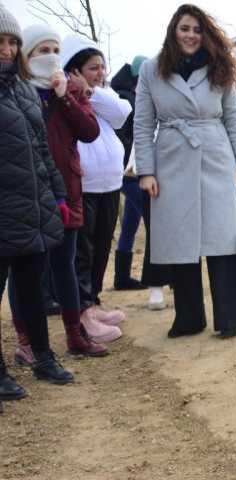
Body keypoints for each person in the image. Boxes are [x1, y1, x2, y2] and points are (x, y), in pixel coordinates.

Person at [134, 3, 236, 339]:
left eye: (197, 30)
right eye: (185, 28)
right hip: (171, 157)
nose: (191, 35)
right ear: (173, 31)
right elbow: (143, 123)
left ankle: (229, 317)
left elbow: (233, 118)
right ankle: (188, 316)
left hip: (217, 155)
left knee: (223, 238)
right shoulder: (152, 70)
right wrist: (147, 170)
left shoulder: (219, 67)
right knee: (179, 237)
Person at [10, 24, 108, 361]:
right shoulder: (17, 91)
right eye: (42, 51)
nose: (49, 57)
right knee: (25, 271)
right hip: (27, 194)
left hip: (68, 188)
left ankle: (74, 333)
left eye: (55, 50)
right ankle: (27, 342)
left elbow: (90, 131)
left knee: (64, 264)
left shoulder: (70, 92)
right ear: (27, 55)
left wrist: (66, 95)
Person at [0, 4, 76, 404]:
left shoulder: (25, 91)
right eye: (1, 41)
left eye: (13, 42)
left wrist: (58, 195)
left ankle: (43, 357)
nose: (8, 49)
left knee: (32, 288)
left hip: (31, 207)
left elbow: (42, 151)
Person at [63, 34, 131, 338]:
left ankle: (93, 301)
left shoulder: (98, 97)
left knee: (103, 245)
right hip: (84, 185)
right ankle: (82, 311)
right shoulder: (66, 98)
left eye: (102, 67)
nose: (101, 73)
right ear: (74, 70)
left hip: (110, 184)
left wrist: (91, 90)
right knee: (84, 251)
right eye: (93, 68)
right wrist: (79, 92)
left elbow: (122, 113)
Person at [109, 55, 150, 291]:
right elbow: (124, 136)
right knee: (152, 219)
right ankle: (155, 277)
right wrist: (131, 163)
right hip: (129, 173)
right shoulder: (128, 97)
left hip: (126, 171)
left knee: (131, 222)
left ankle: (121, 278)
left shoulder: (126, 93)